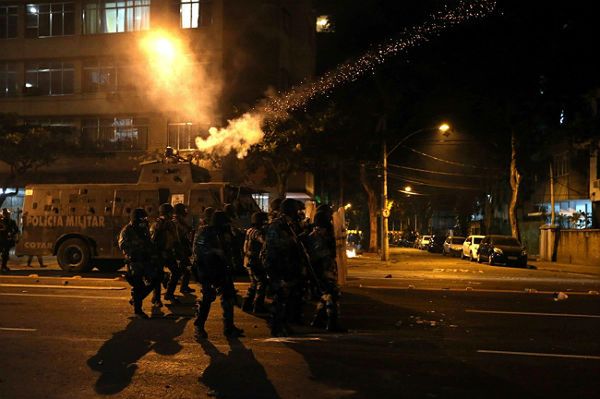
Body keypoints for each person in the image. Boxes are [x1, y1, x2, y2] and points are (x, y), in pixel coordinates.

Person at [192, 210, 244, 339]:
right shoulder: (205, 231)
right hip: (207, 269)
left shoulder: (225, 232)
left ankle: (229, 328)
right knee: (207, 298)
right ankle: (199, 326)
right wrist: (214, 251)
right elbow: (198, 250)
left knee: (229, 297)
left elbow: (233, 247)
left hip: (222, 268)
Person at [262, 198, 305, 336]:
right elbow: (273, 244)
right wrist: (291, 241)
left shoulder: (289, 224)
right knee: (279, 296)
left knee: (286, 296)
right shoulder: (277, 225)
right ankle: (276, 326)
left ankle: (282, 324)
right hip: (276, 264)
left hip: (285, 264)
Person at [307, 210, 346, 332]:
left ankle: (317, 320)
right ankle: (332, 323)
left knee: (325, 296)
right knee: (332, 295)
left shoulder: (320, 236)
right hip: (322, 271)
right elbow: (317, 256)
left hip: (326, 270)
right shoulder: (316, 237)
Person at [118, 208, 158, 319]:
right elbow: (123, 245)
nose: (145, 221)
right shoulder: (127, 230)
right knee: (138, 286)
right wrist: (138, 244)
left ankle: (136, 299)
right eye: (142, 218)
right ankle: (138, 310)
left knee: (155, 279)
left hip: (145, 261)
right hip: (134, 262)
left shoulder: (144, 229)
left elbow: (149, 243)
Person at [150, 203, 182, 305]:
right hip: (159, 253)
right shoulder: (157, 224)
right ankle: (157, 298)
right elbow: (153, 241)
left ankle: (169, 294)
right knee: (158, 276)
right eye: (170, 212)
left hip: (168, 252)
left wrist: (178, 252)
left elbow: (176, 239)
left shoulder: (171, 224)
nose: (172, 214)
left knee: (176, 272)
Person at [241, 211, 268, 313]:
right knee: (262, 282)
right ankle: (257, 306)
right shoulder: (257, 232)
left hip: (248, 260)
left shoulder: (249, 230)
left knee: (253, 283)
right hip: (254, 261)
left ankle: (246, 304)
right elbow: (263, 240)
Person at [172, 203, 195, 294]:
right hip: (179, 247)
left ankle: (184, 287)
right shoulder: (176, 220)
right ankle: (178, 288)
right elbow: (180, 233)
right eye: (184, 210)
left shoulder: (180, 219)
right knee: (184, 268)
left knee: (185, 268)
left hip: (182, 247)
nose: (186, 211)